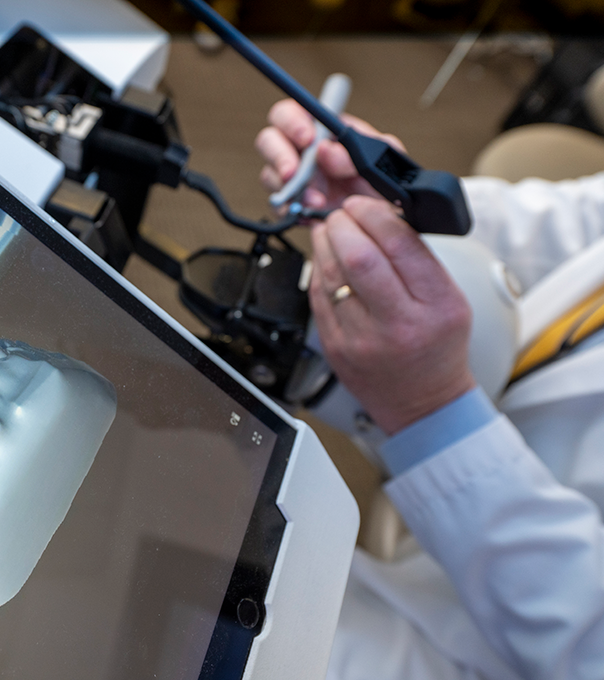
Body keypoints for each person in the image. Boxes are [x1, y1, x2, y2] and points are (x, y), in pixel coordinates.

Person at [257, 99, 604, 680]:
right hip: (489, 455)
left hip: (509, 644)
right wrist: (396, 208)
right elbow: (574, 225)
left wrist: (434, 417)